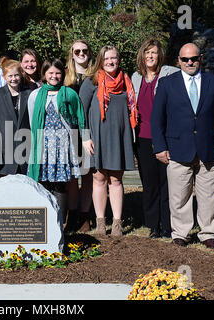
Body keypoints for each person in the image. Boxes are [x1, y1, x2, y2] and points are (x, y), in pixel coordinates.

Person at [151, 43, 214, 249]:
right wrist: (160, 147)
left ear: (201, 58)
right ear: (178, 61)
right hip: (178, 149)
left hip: (209, 149)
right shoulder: (167, 84)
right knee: (179, 195)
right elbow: (156, 119)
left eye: (194, 58)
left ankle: (208, 234)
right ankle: (180, 233)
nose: (190, 63)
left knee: (209, 196)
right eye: (185, 59)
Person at [79, 45, 138, 236]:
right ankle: (100, 222)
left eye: (113, 58)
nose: (110, 62)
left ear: (118, 60)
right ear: (100, 61)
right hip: (97, 137)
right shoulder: (91, 82)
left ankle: (117, 223)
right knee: (98, 178)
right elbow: (81, 112)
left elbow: (132, 110)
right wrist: (85, 137)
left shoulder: (126, 82)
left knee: (116, 179)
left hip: (119, 137)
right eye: (106, 59)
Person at [27, 58, 86, 228]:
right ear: (44, 74)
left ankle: (59, 223)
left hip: (62, 145)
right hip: (42, 145)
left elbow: (78, 117)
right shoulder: (35, 95)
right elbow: (32, 121)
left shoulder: (69, 94)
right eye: (50, 73)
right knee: (43, 183)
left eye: (58, 73)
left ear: (63, 74)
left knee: (60, 185)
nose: (54, 76)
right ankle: (43, 224)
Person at [131, 39, 179, 239]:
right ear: (142, 56)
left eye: (154, 52)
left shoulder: (169, 74)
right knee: (149, 183)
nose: (150, 56)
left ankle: (168, 226)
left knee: (167, 183)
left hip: (165, 137)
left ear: (160, 55)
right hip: (142, 137)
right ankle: (153, 226)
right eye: (146, 52)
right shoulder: (135, 77)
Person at [63, 39, 94, 233]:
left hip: (91, 130)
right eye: (77, 51)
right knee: (73, 176)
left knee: (89, 174)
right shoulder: (66, 77)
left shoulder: (96, 76)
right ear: (72, 54)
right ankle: (72, 214)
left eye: (84, 50)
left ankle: (85, 215)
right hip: (70, 131)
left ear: (89, 53)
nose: (81, 54)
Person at [0, 57, 32, 185]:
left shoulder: (30, 94)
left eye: (16, 75)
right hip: (5, 151)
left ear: (21, 75)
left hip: (25, 149)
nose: (13, 79)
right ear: (4, 76)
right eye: (10, 76)